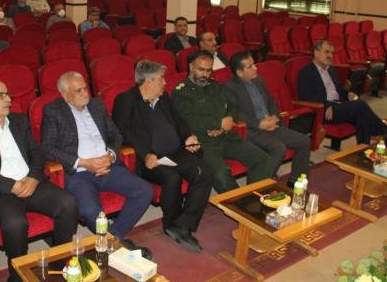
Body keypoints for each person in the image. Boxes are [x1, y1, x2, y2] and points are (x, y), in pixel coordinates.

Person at [0, 79, 78, 282]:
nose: (8, 99)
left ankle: (60, 261)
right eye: (0, 95)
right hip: (0, 192)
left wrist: (33, 178)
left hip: (31, 183)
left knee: (68, 202)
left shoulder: (19, 120)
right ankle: (16, 276)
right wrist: (10, 185)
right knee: (15, 223)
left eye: (7, 94)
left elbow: (37, 153)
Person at [41, 72, 154, 258]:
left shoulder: (96, 105)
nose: (85, 93)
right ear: (65, 94)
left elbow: (115, 135)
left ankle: (113, 239)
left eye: (85, 88)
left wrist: (110, 155)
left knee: (145, 191)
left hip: (109, 166)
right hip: (79, 173)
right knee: (90, 211)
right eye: (78, 90)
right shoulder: (53, 111)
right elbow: (47, 147)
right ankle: (117, 244)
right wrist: (83, 162)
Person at [113, 61, 213, 253]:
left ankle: (182, 225)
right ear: (149, 81)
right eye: (161, 79)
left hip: (175, 153)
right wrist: (145, 154)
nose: (165, 83)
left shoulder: (163, 97)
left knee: (205, 172)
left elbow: (179, 121)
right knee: (171, 178)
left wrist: (188, 136)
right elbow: (122, 133)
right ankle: (170, 223)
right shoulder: (126, 100)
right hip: (149, 160)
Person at [171, 50, 274, 193]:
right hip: (203, 142)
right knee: (220, 173)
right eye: (201, 69)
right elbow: (188, 120)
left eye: (209, 70)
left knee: (263, 159)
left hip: (226, 136)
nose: (205, 74)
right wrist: (218, 124)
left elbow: (232, 106)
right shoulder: (181, 92)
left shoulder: (214, 85)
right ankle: (238, 202)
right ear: (191, 67)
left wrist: (228, 120)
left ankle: (254, 195)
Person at [224, 51, 311, 187]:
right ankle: (258, 186)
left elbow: (271, 101)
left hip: (270, 124)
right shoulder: (230, 87)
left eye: (254, 64)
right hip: (251, 130)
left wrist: (274, 118)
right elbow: (236, 115)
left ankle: (296, 181)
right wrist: (259, 124)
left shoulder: (258, 80)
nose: (255, 68)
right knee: (278, 148)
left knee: (304, 141)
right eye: (250, 67)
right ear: (240, 72)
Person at [298, 40, 387, 145]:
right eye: (327, 52)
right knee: (360, 105)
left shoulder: (330, 69)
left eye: (332, 53)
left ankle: (363, 146)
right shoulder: (306, 72)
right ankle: (384, 131)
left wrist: (348, 94)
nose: (330, 56)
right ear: (316, 53)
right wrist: (329, 105)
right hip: (325, 110)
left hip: (339, 105)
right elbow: (306, 97)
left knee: (362, 117)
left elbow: (339, 89)